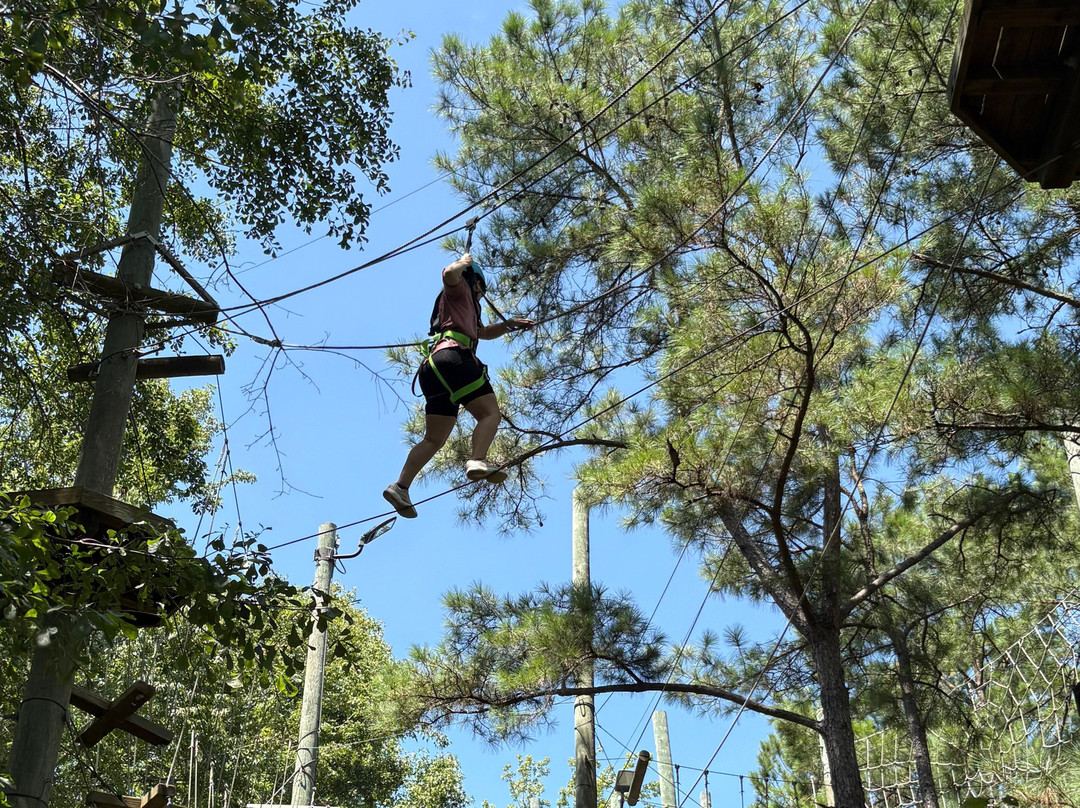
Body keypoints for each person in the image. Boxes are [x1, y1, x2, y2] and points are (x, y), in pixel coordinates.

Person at [383, 253, 535, 518]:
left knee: (434, 438)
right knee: (490, 413)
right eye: (481, 290)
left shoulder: (465, 308)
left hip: (432, 369)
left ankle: (400, 487)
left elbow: (483, 332)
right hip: (454, 359)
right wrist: (463, 263)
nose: (481, 296)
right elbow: (448, 276)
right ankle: (477, 459)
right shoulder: (460, 289)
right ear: (474, 282)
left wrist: (509, 325)